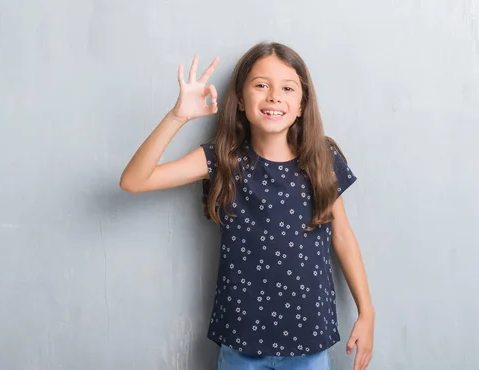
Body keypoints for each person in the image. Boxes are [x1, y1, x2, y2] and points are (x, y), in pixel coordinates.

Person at [119, 42, 374, 370]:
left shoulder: (321, 159)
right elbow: (135, 181)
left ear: (301, 105)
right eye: (261, 85)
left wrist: (367, 313)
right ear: (240, 99)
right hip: (241, 341)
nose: (273, 97)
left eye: (287, 88)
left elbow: (343, 237)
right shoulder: (222, 159)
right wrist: (177, 116)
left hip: (309, 339)